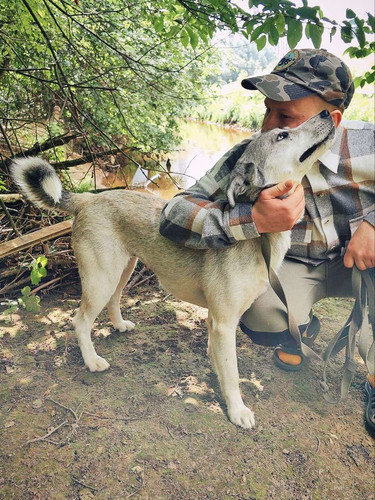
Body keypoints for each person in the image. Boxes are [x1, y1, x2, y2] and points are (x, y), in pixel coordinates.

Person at [159, 48, 375, 431]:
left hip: (357, 267)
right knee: (259, 315)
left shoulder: (368, 146)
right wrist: (250, 219)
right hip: (292, 268)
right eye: (266, 110)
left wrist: (373, 224)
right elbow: (172, 217)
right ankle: (297, 332)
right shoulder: (252, 154)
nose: (266, 126)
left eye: (285, 117)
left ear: (331, 119)